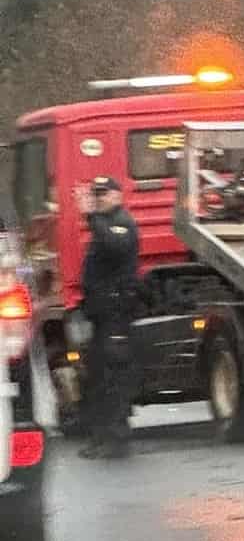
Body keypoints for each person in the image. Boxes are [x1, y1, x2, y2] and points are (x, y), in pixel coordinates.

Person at [77, 176, 140, 460]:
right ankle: (102, 435)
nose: (99, 198)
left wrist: (90, 214)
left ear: (117, 195)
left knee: (113, 376)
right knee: (99, 377)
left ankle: (115, 438)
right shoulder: (103, 225)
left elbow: (115, 246)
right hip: (102, 314)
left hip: (115, 314)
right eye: (96, 195)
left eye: (104, 194)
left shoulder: (121, 223)